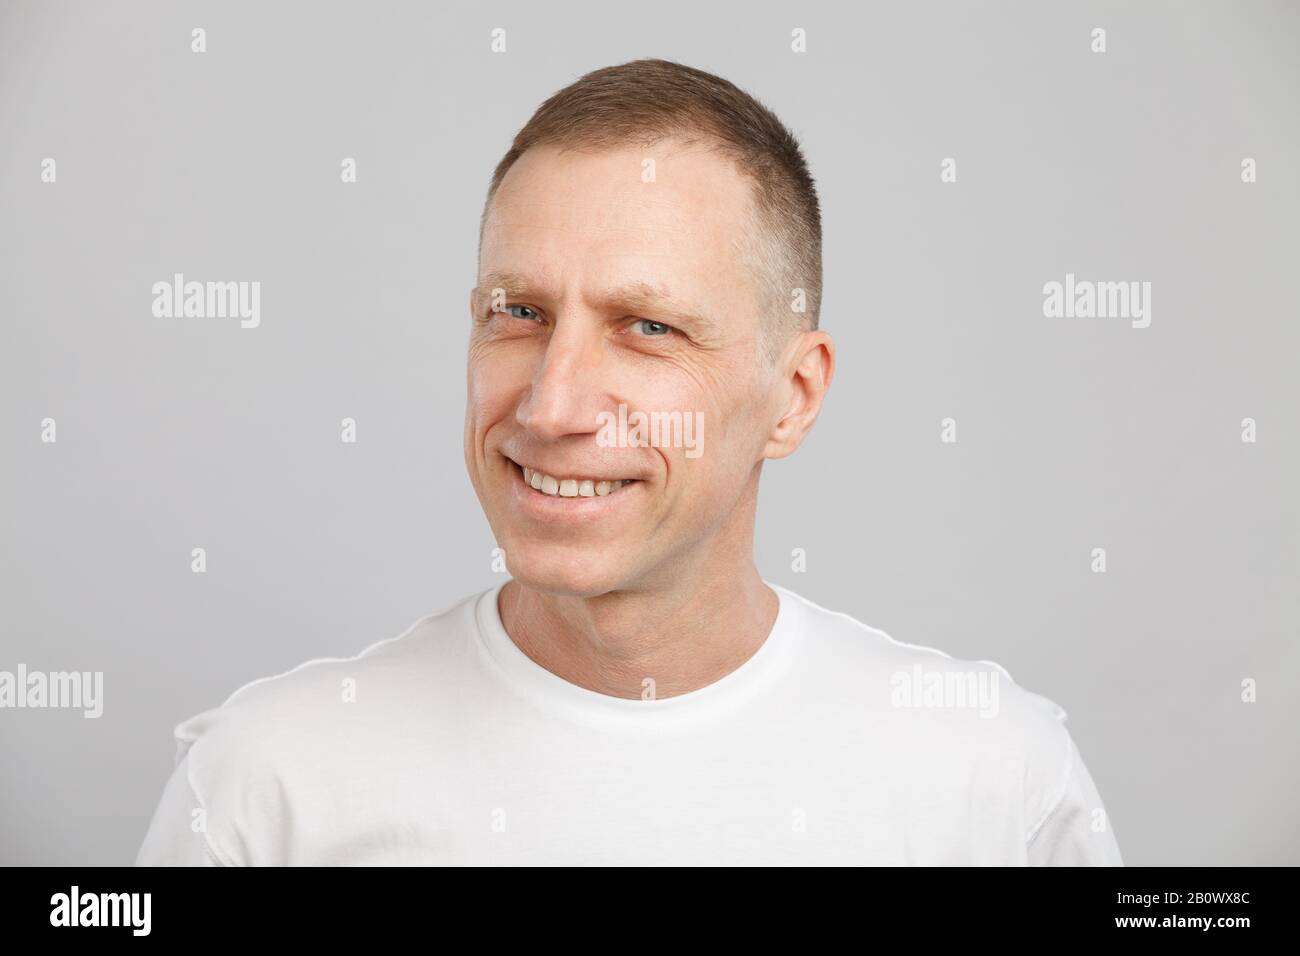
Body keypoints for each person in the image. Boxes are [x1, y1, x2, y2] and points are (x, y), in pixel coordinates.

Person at [136, 58, 1122, 866]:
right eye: (517, 313)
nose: (550, 405)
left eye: (648, 326)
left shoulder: (995, 785)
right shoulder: (266, 790)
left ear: (794, 396)